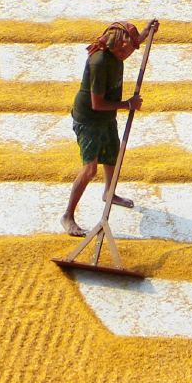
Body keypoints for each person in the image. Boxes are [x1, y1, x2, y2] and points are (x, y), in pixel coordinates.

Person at [61, 21, 145, 237]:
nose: (126, 54)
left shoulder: (119, 51)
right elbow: (97, 104)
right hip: (89, 118)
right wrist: (128, 104)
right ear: (114, 44)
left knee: (112, 157)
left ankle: (109, 192)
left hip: (107, 115)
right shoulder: (99, 62)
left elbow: (132, 46)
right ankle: (68, 216)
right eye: (124, 49)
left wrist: (147, 31)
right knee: (90, 170)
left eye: (130, 49)